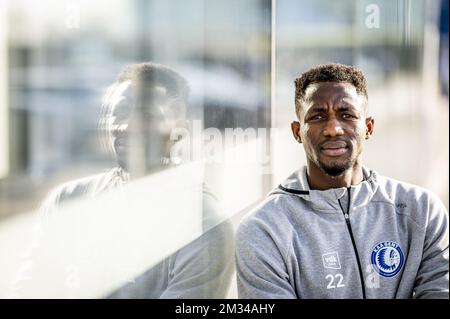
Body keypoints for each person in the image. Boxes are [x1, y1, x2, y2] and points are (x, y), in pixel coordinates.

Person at [11, 62, 234, 299]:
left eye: (148, 115)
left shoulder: (203, 225)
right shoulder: (67, 200)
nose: (128, 125)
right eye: (120, 111)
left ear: (179, 131)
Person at [235, 63, 449, 299]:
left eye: (346, 115)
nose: (333, 129)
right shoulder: (265, 229)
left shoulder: (421, 210)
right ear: (297, 132)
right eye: (317, 116)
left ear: (368, 127)